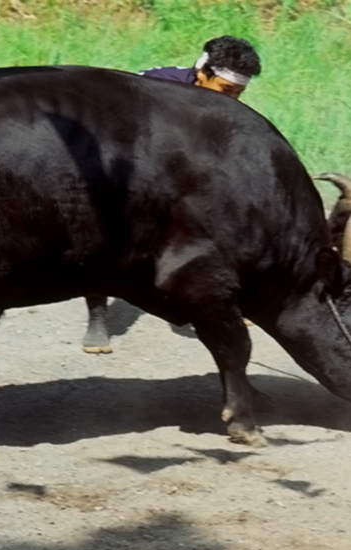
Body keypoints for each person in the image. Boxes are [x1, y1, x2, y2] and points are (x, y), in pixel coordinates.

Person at [82, 35, 262, 353]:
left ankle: (205, 303)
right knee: (105, 237)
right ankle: (97, 315)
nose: (233, 102)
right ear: (203, 71)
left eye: (239, 94)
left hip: (180, 178)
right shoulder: (155, 86)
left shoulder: (225, 107)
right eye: (227, 91)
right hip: (130, 171)